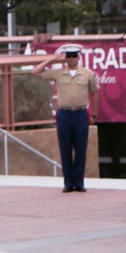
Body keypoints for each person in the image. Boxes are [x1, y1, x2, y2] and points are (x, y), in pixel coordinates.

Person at [32, 44, 99, 192]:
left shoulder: (87, 73)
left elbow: (95, 93)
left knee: (81, 149)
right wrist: (52, 59)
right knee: (65, 149)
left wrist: (94, 113)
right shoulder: (59, 73)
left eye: (74, 56)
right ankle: (68, 183)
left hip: (80, 113)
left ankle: (79, 182)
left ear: (78, 57)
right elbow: (35, 72)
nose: (71, 59)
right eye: (68, 56)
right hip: (64, 114)